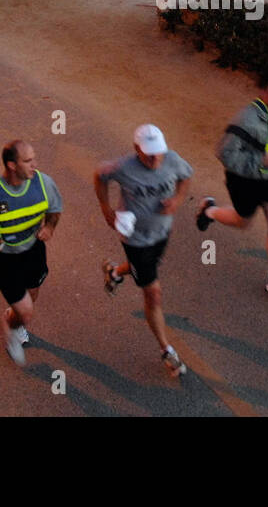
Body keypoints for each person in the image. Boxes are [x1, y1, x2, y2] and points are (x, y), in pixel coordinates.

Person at [95, 124, 194, 376]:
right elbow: (99, 175)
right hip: (135, 240)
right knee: (153, 293)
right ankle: (166, 350)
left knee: (147, 268)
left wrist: (178, 200)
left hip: (161, 234)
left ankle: (115, 273)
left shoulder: (172, 160)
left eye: (158, 152)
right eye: (148, 153)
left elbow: (186, 177)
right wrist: (106, 208)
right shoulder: (124, 167)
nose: (155, 158)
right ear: (136, 149)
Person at [196, 76, 268, 305]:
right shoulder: (245, 120)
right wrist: (259, 163)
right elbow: (225, 153)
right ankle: (209, 211)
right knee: (243, 222)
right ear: (263, 92)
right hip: (245, 180)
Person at [0, 139, 62, 367]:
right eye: (27, 161)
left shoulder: (44, 184)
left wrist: (49, 227)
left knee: (32, 294)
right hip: (3, 257)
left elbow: (55, 209)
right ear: (12, 165)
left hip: (33, 249)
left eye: (34, 158)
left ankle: (15, 313)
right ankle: (12, 327)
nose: (34, 164)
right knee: (26, 312)